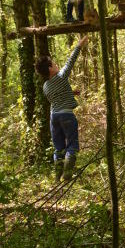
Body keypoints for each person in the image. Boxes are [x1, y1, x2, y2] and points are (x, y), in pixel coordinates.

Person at [35, 36, 89, 181]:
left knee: (58, 148)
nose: (57, 64)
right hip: (67, 116)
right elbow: (70, 62)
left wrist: (71, 93)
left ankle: (57, 175)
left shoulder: (45, 86)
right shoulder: (60, 76)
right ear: (50, 68)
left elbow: (56, 97)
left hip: (54, 117)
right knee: (72, 145)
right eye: (54, 63)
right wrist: (79, 45)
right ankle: (67, 174)